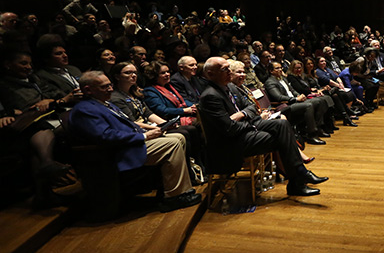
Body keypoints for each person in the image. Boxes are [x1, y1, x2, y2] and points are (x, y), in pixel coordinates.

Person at [68, 71, 202, 212]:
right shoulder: (85, 110)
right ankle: (175, 197)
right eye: (104, 87)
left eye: (110, 85)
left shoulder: (103, 103)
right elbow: (106, 136)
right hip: (117, 152)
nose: (110, 89)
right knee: (172, 143)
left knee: (179, 137)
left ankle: (172, 189)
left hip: (129, 143)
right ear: (88, 90)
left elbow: (127, 123)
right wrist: (144, 137)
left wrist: (148, 131)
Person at [199, 57, 327, 196]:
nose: (230, 71)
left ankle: (299, 177)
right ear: (210, 74)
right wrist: (247, 118)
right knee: (282, 137)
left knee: (282, 124)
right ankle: (298, 178)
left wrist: (242, 114)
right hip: (231, 143)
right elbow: (230, 129)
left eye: (229, 68)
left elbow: (251, 106)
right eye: (225, 69)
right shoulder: (210, 96)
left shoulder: (229, 86)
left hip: (244, 128)